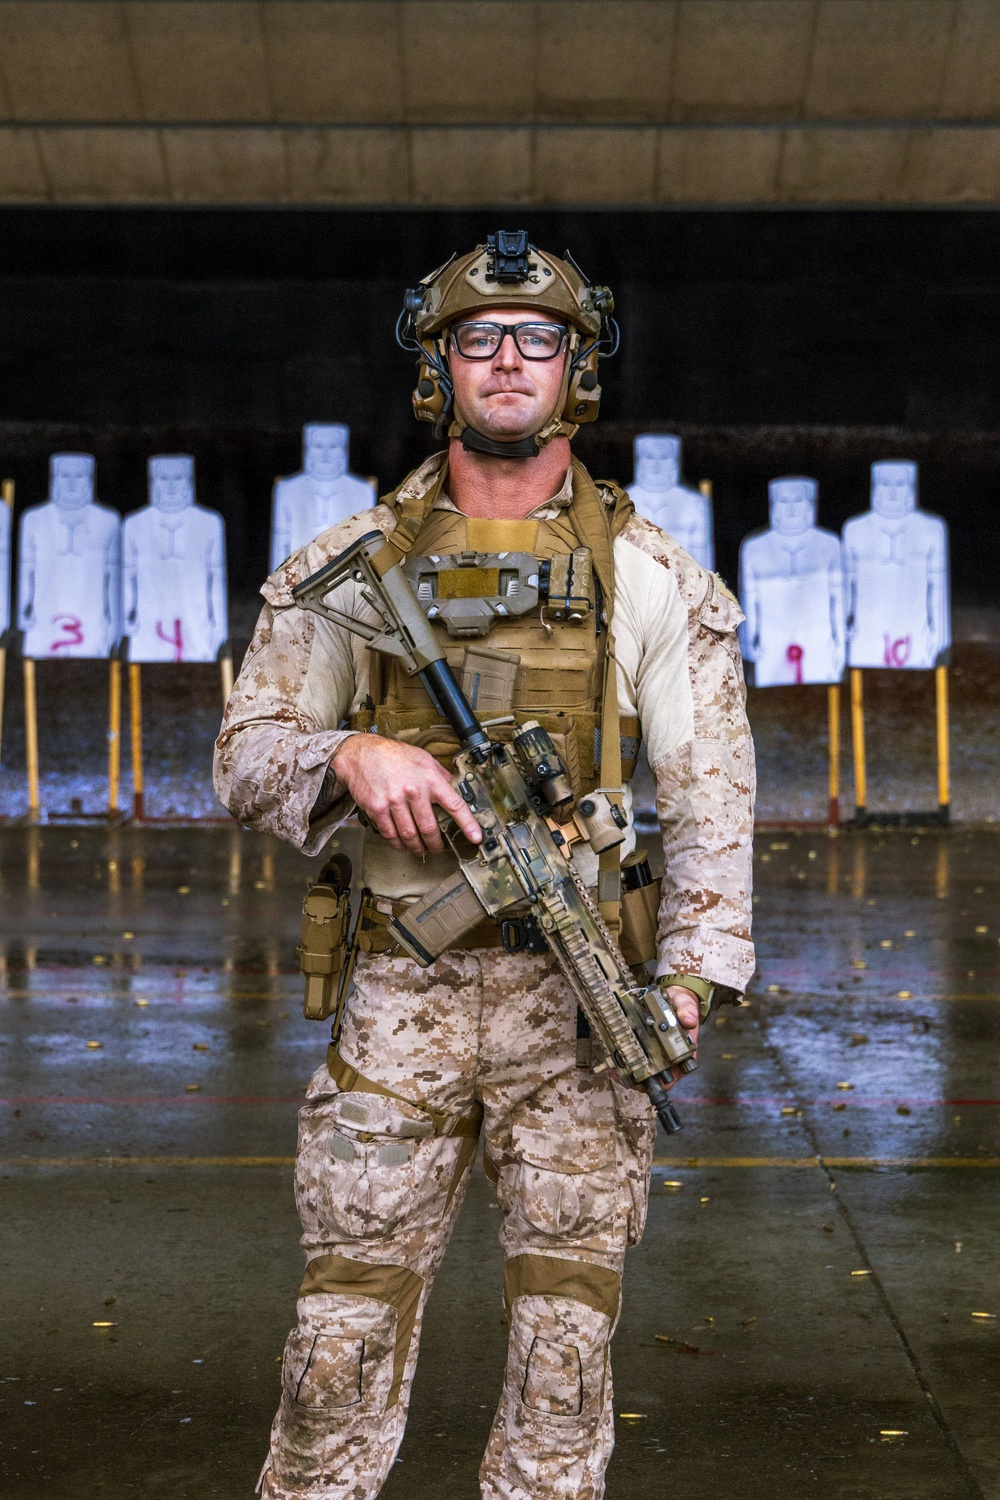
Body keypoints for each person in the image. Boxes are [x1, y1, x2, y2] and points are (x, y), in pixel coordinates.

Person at [215, 230, 755, 1500]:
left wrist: (687, 985)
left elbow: (713, 802)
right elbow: (245, 756)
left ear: (577, 372)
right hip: (399, 1004)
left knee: (564, 1358)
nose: (507, 360)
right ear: (436, 367)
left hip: (579, 1014)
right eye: (478, 338)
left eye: (539, 340)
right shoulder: (351, 568)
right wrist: (352, 754)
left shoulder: (653, 580)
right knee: (335, 1344)